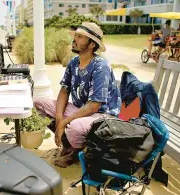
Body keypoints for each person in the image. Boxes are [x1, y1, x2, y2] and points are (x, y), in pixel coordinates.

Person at [34, 22, 121, 168]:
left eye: (80, 37)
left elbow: (94, 106)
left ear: (92, 44)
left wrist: (63, 123)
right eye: (75, 36)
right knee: (39, 104)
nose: (74, 40)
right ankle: (68, 146)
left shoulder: (101, 66)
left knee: (74, 127)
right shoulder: (74, 62)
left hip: (101, 115)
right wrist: (60, 116)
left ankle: (76, 154)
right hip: (80, 110)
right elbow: (64, 89)